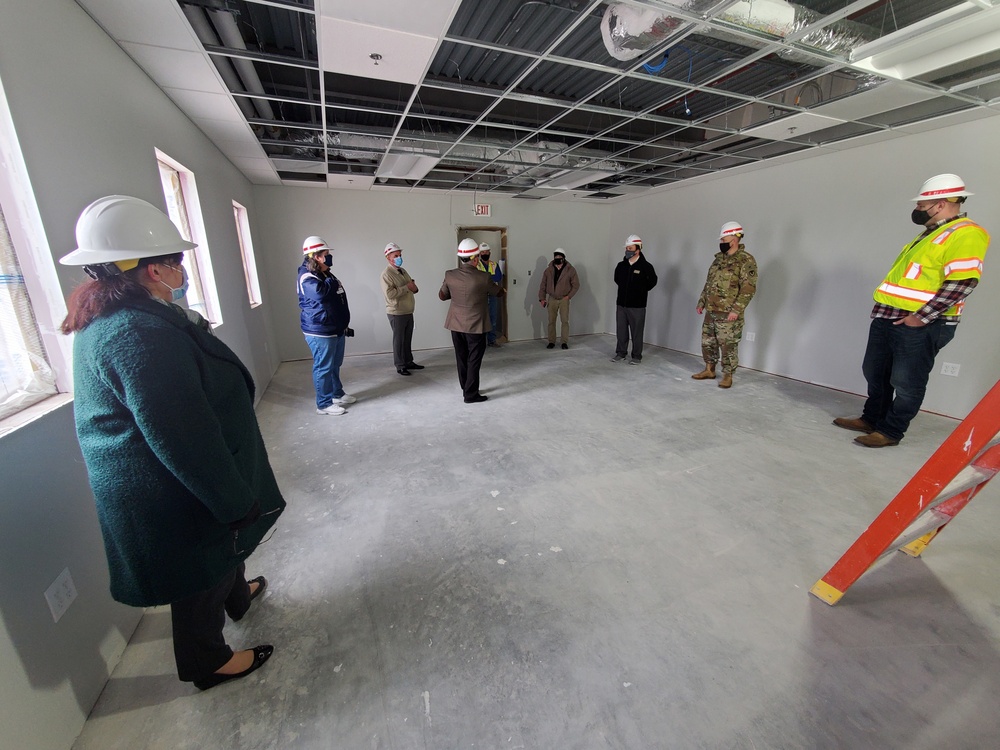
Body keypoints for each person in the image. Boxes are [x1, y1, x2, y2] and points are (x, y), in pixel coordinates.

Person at [58, 195, 285, 691]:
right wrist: (230, 497)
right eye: (175, 261)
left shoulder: (132, 316)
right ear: (153, 270)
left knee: (221, 547)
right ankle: (208, 661)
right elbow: (182, 437)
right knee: (199, 564)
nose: (182, 269)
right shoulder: (136, 334)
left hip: (168, 474)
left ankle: (238, 595)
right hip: (168, 485)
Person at [834, 173, 990, 448]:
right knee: (875, 372)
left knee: (906, 381)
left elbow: (963, 282)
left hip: (922, 323)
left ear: (940, 203)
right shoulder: (930, 234)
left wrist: (921, 317)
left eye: (921, 205)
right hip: (889, 316)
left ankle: (891, 432)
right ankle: (872, 418)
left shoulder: (966, 233)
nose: (917, 209)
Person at [692, 222, 758, 388]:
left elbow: (748, 289)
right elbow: (709, 284)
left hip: (729, 313)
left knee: (728, 345)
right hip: (711, 310)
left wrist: (736, 310)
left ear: (735, 238)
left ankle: (728, 375)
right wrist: (702, 302)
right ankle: (709, 369)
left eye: (724, 238)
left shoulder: (745, 260)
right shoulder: (718, 260)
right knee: (708, 342)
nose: (721, 241)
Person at [439, 238, 504, 403]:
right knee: (474, 359)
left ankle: (465, 387)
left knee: (461, 357)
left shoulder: (450, 274)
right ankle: (470, 394)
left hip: (455, 324)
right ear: (475, 258)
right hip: (476, 326)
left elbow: (442, 296)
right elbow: (498, 293)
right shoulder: (483, 277)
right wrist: (501, 289)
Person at [297, 235, 356, 415]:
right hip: (320, 330)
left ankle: (336, 393)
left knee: (334, 364)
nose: (329, 257)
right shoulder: (307, 276)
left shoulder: (324, 273)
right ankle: (323, 404)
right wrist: (332, 281)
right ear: (316, 256)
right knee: (323, 366)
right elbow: (321, 295)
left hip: (335, 328)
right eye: (326, 254)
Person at [612, 233, 657, 364]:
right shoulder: (621, 266)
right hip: (621, 304)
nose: (628, 251)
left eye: (630, 249)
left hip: (637, 306)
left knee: (636, 332)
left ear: (638, 249)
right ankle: (620, 353)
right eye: (627, 248)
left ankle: (636, 356)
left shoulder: (646, 267)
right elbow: (617, 279)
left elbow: (652, 282)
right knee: (621, 331)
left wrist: (640, 291)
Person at [380, 242, 424, 376]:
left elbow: (412, 286)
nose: (399, 257)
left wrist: (413, 287)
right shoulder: (386, 274)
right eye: (396, 255)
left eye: (400, 255)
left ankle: (408, 361)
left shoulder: (402, 271)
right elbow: (389, 294)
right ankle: (400, 365)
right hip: (396, 312)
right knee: (399, 340)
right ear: (388, 258)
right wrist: (407, 288)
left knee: (407, 338)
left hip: (408, 310)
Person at [538, 248, 580, 349]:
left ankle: (564, 342)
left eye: (559, 257)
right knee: (551, 321)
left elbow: (576, 285)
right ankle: (551, 341)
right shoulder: (548, 270)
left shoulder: (570, 270)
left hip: (563, 299)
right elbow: (543, 285)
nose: (557, 259)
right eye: (556, 257)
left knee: (564, 321)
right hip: (552, 298)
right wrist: (542, 298)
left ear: (563, 258)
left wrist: (569, 296)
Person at [477, 241, 504, 347]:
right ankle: (481, 341)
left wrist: (485, 278)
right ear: (479, 253)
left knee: (492, 317)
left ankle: (492, 340)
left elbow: (498, 277)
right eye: (483, 252)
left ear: (490, 252)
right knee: (481, 318)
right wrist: (489, 279)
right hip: (480, 296)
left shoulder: (494, 264)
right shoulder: (477, 265)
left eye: (487, 251)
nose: (485, 253)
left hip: (492, 295)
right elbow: (477, 279)